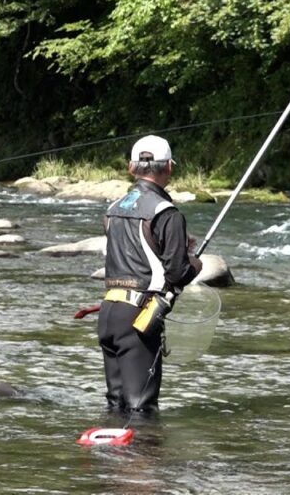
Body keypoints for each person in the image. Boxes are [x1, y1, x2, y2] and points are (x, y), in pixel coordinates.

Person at [98, 135, 202, 416]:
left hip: (108, 314)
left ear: (131, 167)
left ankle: (107, 444)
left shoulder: (113, 209)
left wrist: (177, 246)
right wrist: (196, 263)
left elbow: (135, 252)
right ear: (168, 166)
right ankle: (145, 447)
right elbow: (178, 273)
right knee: (141, 409)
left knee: (116, 405)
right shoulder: (166, 212)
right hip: (139, 320)